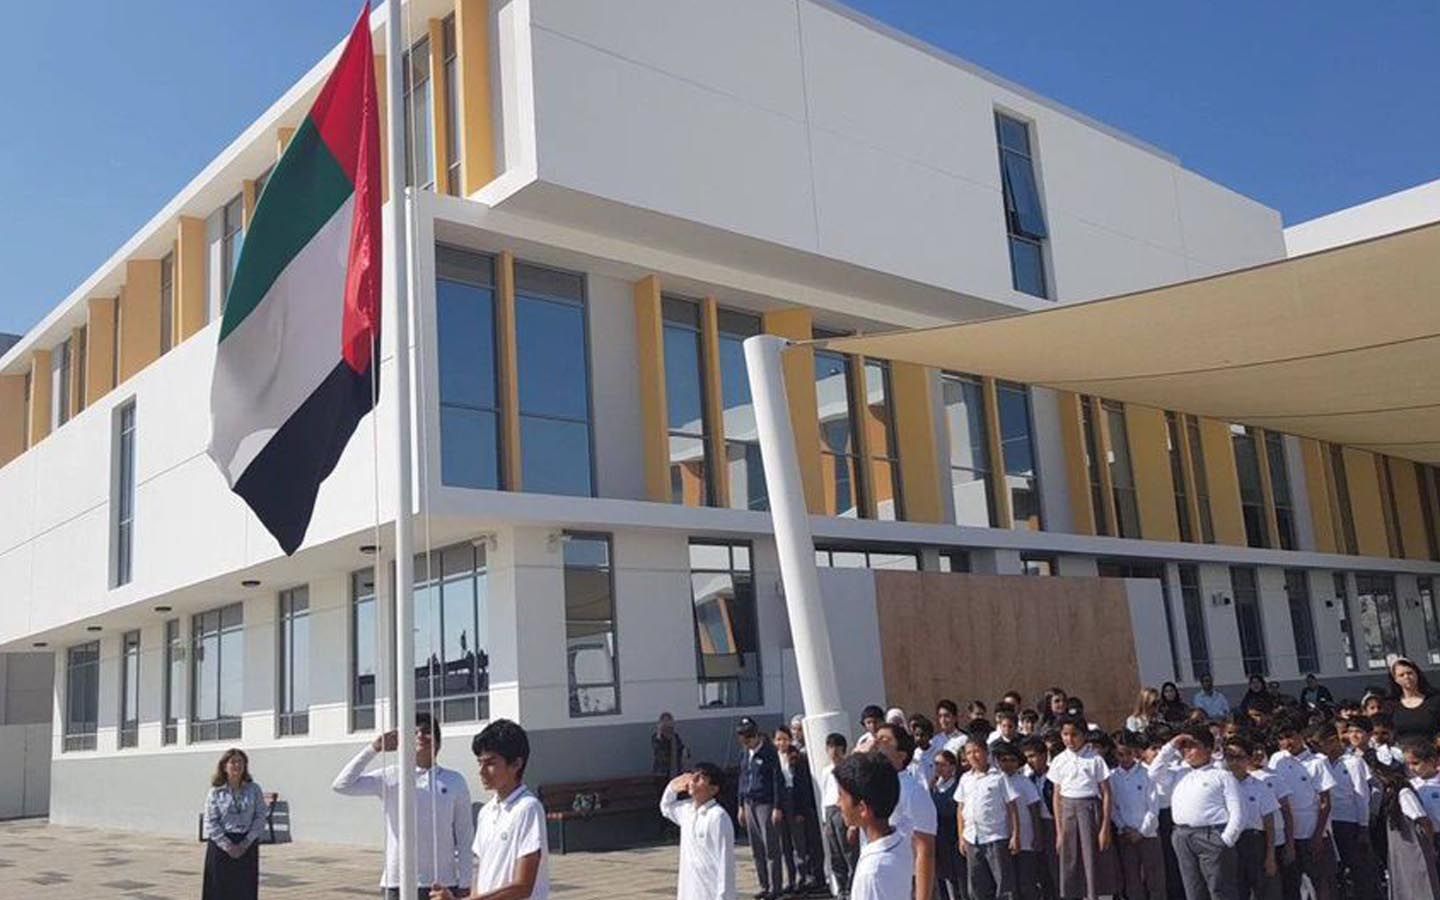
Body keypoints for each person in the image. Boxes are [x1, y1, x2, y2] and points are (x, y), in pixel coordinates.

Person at [334, 713, 474, 900]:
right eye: (414, 732)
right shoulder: (390, 776)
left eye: (426, 731)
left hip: (443, 884)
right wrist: (374, 748)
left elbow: (465, 834)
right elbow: (342, 785)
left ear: (438, 743)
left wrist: (466, 882)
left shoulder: (455, 780)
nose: (420, 736)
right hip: (397, 881)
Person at [432, 718, 548, 900]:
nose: (482, 771)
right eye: (480, 763)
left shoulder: (528, 808)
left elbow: (523, 886)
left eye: (491, 763)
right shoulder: (486, 812)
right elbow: (481, 876)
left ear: (516, 764)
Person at [1152, 727, 1243, 900]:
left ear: (1208, 749)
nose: (1187, 750)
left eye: (1192, 746)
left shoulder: (1221, 775)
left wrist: (1225, 840)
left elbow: (1238, 811)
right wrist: (1171, 746)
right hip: (1182, 835)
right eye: (1184, 747)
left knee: (1220, 889)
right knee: (1193, 889)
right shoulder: (1178, 773)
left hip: (1211, 835)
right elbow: (1153, 773)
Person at [1048, 716, 1117, 900]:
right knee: (1070, 860)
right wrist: (1059, 831)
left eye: (1074, 735)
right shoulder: (1059, 760)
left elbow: (1107, 793)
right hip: (1068, 812)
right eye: (1065, 734)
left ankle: (1095, 896)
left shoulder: (1094, 759)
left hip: (1090, 811)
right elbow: (1056, 796)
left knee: (1092, 859)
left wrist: (1105, 828)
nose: (1069, 739)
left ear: (1084, 735)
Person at [1268, 717, 1336, 900]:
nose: (1286, 742)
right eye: (1281, 738)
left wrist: (1317, 835)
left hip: (1310, 831)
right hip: (1286, 833)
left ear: (1301, 735)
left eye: (1290, 736)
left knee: (1319, 880)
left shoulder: (1318, 762)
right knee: (1292, 883)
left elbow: (1325, 803)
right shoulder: (1277, 759)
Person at [873, 723, 937, 900]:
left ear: (901, 755)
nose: (877, 744)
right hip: (881, 878)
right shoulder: (875, 788)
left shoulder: (913, 791)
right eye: (876, 739)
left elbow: (925, 849)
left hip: (907, 879)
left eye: (884, 740)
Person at [835, 752, 909, 900]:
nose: (838, 803)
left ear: (862, 808)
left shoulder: (872, 872)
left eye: (841, 796)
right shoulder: (901, 839)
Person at [1315, 725, 1377, 900]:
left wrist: (1363, 826)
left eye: (1323, 745)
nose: (1320, 750)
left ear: (1333, 741)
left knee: (1358, 868)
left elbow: (1362, 796)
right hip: (1329, 822)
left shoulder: (1354, 762)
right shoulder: (1321, 762)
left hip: (1349, 822)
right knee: (1334, 870)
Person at [660, 763, 736, 900]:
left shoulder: (718, 817)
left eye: (700, 778)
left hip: (710, 891)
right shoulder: (687, 810)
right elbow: (666, 807)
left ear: (713, 789)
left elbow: (725, 863)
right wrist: (672, 787)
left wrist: (724, 896)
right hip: (689, 889)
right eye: (693, 775)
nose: (693, 780)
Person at [956, 740, 1020, 900]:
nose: (973, 756)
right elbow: (960, 808)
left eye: (977, 751)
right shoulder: (965, 779)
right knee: (977, 886)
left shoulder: (999, 777)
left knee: (1004, 884)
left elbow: (1012, 807)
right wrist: (961, 837)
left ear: (986, 753)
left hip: (995, 837)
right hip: (972, 837)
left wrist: (1015, 835)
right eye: (969, 753)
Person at [202, 748, 268, 900]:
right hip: (221, 845)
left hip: (246, 843)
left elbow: (260, 816)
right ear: (224, 766)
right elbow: (211, 821)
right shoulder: (215, 792)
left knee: (244, 888)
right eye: (233, 762)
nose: (237, 765)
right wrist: (227, 845)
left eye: (240, 762)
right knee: (219, 889)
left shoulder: (254, 789)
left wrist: (246, 842)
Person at [1110, 732, 1164, 900]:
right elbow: (1112, 807)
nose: (1124, 758)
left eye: (1128, 753)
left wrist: (1141, 831)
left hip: (1148, 834)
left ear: (1135, 753)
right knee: (1132, 879)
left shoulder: (1147, 773)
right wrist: (1123, 827)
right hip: (1125, 833)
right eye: (1120, 754)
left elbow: (1153, 806)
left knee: (1155, 879)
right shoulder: (1112, 777)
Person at [1376, 756, 1440, 898]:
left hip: (1414, 847)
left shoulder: (1404, 793)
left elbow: (1423, 821)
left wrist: (1430, 846)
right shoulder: (1391, 795)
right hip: (1402, 849)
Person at [1224, 736, 1278, 900]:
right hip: (1228, 842)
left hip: (1253, 842)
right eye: (1229, 757)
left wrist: (1270, 856)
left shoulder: (1260, 786)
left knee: (1259, 889)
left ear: (1248, 759)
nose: (1233, 762)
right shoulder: (1219, 785)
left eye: (1238, 757)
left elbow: (1269, 823)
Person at [736, 717, 784, 900]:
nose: (746, 742)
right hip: (749, 802)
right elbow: (742, 780)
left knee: (771, 847)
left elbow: (776, 780)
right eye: (742, 739)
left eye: (748, 738)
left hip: (765, 803)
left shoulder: (769, 753)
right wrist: (740, 805)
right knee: (756, 849)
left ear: (756, 735)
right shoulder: (745, 753)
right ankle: (764, 885)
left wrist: (777, 807)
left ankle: (775, 887)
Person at [994, 741, 1045, 900]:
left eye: (1012, 760)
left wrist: (1037, 836)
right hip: (1003, 839)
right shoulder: (996, 781)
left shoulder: (1024, 782)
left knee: (1026, 883)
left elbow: (1034, 810)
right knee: (1009, 884)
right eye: (1004, 760)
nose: (1008, 764)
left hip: (1025, 840)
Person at [775, 726, 823, 894]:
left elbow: (802, 785)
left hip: (795, 802)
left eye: (785, 739)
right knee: (785, 844)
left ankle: (804, 878)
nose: (782, 743)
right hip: (781, 802)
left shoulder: (798, 758)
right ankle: (791, 878)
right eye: (779, 739)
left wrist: (801, 810)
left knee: (799, 843)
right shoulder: (774, 759)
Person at [1022, 736, 1059, 900]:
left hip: (1054, 825)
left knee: (1057, 868)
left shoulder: (1055, 777)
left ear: (1044, 755)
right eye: (1027, 757)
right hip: (1036, 826)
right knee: (1042, 870)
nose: (1030, 761)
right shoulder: (1029, 780)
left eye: (1033, 756)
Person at [821, 733, 858, 900]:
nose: (833, 751)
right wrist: (824, 818)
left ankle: (852, 887)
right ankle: (841, 888)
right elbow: (824, 793)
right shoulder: (826, 771)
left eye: (837, 747)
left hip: (843, 811)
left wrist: (853, 823)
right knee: (834, 853)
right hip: (830, 811)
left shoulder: (848, 769)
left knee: (848, 851)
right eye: (830, 747)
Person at [930, 750, 966, 900]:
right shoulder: (933, 787)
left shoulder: (958, 786)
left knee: (960, 879)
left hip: (953, 837)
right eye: (936, 764)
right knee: (943, 879)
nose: (939, 768)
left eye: (943, 765)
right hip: (939, 839)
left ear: (952, 767)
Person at [1390, 657, 1440, 746]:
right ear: (1395, 679)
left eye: (1409, 673)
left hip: (1431, 754)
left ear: (1417, 674)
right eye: (1401, 675)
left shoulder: (1434, 700)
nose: (1407, 677)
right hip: (1403, 754)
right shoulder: (1391, 704)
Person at [653, 712, 690, 778]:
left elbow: (680, 748)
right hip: (662, 771)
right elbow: (657, 747)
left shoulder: (675, 736)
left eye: (669, 720)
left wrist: (685, 752)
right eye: (664, 721)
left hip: (675, 769)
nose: (667, 723)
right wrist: (659, 731)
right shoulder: (656, 736)